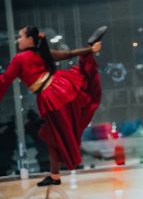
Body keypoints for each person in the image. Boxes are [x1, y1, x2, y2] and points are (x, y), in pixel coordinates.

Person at [0, 25, 107, 186]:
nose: (18, 40)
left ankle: (55, 175)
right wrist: (90, 49)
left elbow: (5, 79)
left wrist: (90, 49)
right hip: (59, 88)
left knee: (54, 135)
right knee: (52, 136)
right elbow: (69, 54)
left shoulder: (20, 58)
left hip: (53, 96)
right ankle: (55, 175)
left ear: (30, 39)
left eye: (20, 36)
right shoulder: (41, 54)